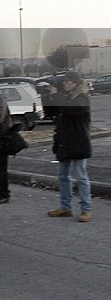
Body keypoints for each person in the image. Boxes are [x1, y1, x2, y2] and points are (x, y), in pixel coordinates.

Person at [46, 71, 92, 222]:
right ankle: (65, 208)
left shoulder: (82, 98)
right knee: (63, 176)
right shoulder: (64, 97)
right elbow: (51, 113)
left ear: (75, 83)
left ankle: (86, 210)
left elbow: (71, 111)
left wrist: (56, 95)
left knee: (81, 177)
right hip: (64, 143)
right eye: (63, 81)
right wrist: (49, 96)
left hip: (79, 142)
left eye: (67, 81)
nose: (64, 83)